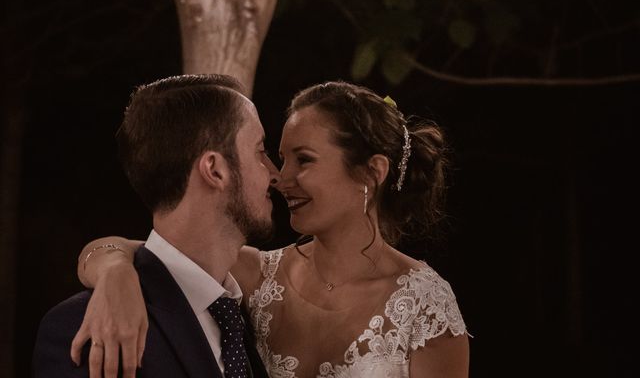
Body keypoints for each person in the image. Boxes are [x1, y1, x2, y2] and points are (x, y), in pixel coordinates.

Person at [71, 81, 470, 378]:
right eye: (279, 157)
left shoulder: (425, 304)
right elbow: (132, 249)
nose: (281, 177)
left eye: (304, 160)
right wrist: (114, 273)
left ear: (371, 172)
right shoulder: (257, 275)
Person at [32, 74, 280, 378]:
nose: (274, 173)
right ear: (215, 170)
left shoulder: (244, 316)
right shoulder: (89, 329)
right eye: (260, 151)